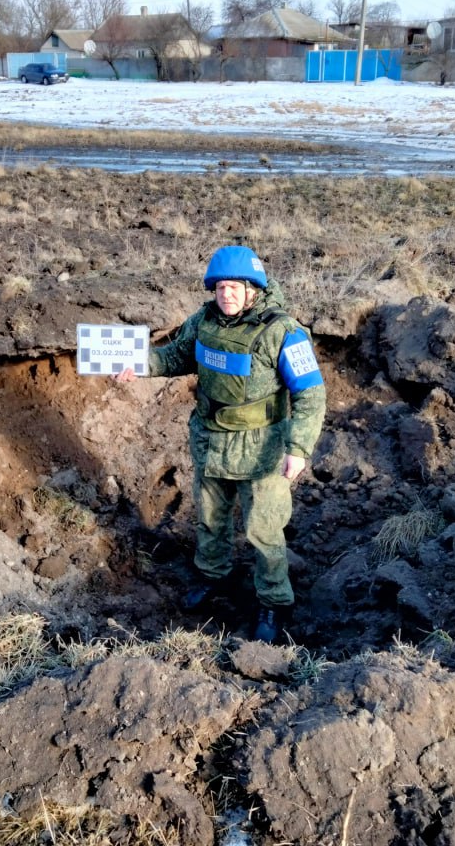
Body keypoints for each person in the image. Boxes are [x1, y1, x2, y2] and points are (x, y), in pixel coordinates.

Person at [116, 245, 326, 643]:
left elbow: (311, 393)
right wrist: (138, 365)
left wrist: (298, 449)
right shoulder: (204, 321)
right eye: (221, 287)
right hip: (212, 443)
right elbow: (175, 357)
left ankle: (273, 601)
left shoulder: (282, 331)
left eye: (235, 287)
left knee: (264, 527)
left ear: (253, 290)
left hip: (262, 450)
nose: (227, 295)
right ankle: (214, 577)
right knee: (210, 518)